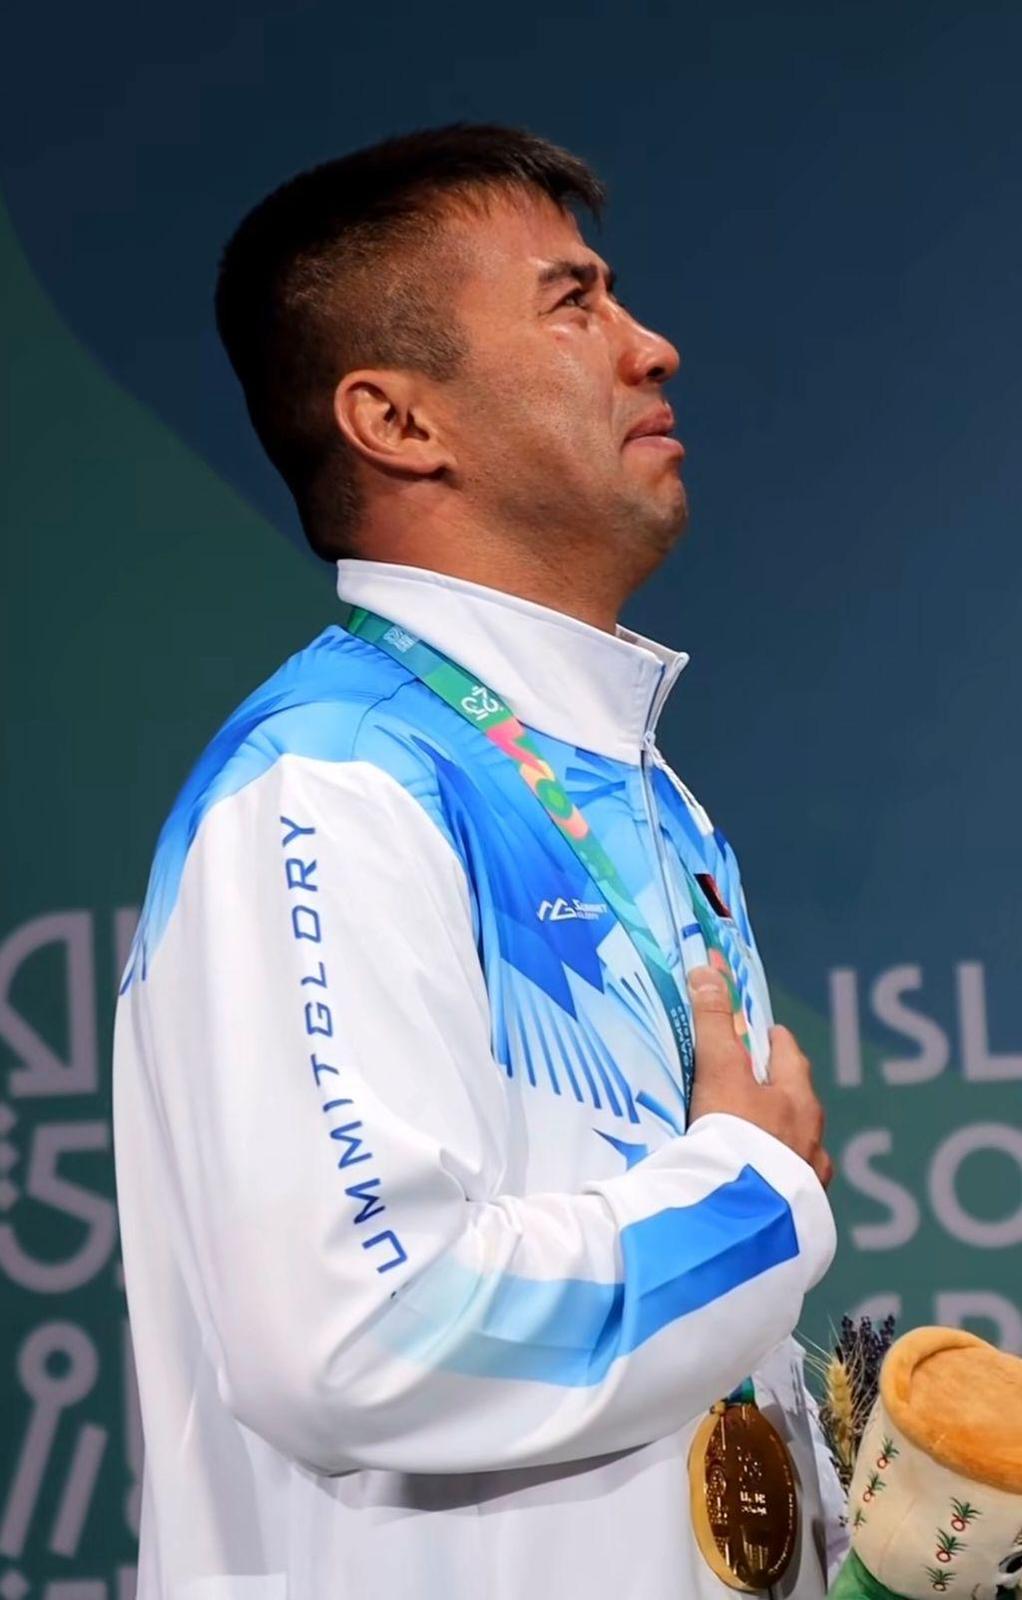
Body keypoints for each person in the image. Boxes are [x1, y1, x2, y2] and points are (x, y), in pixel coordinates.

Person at [112, 121, 845, 1600]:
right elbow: (365, 1332)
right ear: (395, 421)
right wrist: (752, 1197)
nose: (653, 346)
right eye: (574, 302)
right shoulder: (326, 784)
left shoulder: (649, 795)